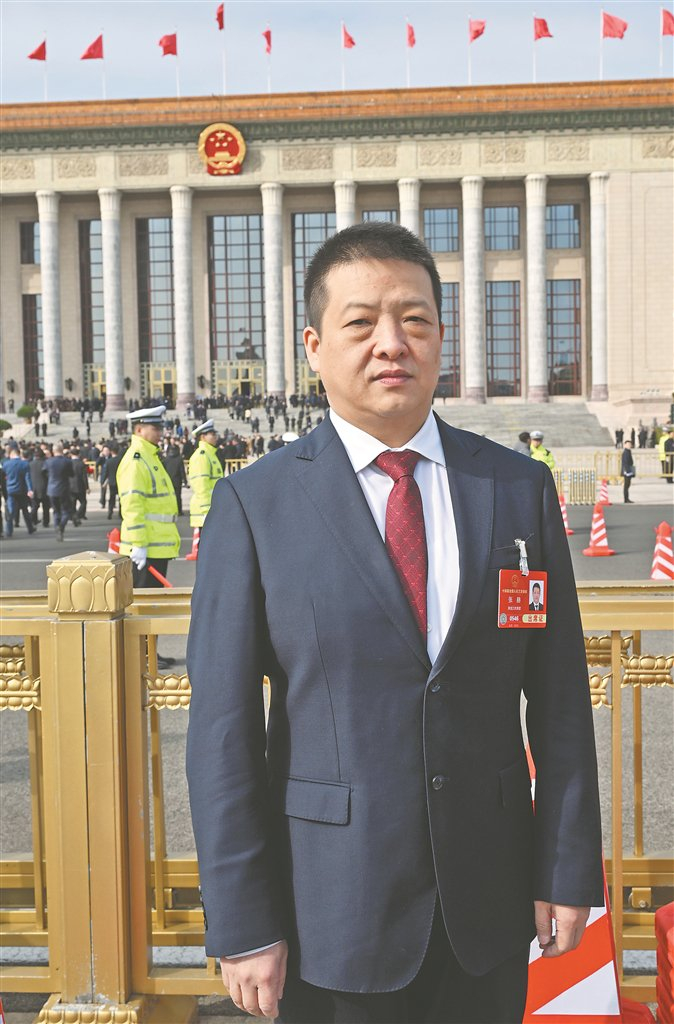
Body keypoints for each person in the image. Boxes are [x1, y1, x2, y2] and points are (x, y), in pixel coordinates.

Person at [186, 222, 603, 1024]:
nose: (391, 343)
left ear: (441, 337)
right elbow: (223, 733)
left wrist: (566, 866)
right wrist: (242, 922)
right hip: (330, 910)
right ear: (314, 347)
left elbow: (559, 702)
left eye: (414, 319)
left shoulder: (515, 490)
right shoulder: (257, 505)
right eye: (361, 322)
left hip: (488, 902)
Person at [117, 405, 180, 589]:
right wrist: (138, 543)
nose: (160, 433)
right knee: (145, 601)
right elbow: (132, 505)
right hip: (145, 546)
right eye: (155, 428)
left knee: (154, 600)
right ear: (139, 430)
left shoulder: (149, 456)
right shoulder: (136, 461)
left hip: (156, 545)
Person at [188, 419, 223, 530]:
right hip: (205, 512)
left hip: (212, 509)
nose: (215, 437)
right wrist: (206, 511)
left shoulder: (210, 454)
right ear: (203, 437)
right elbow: (201, 485)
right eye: (212, 434)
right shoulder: (201, 456)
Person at [1, 443, 35, 538]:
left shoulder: (6, 464)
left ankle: (9, 531)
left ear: (11, 454)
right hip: (22, 490)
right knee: (25, 510)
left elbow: (3, 477)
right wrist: (30, 489)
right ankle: (30, 528)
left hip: (11, 490)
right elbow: (27, 478)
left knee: (11, 511)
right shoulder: (25, 464)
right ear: (19, 454)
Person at [44, 442, 73, 541]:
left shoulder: (48, 461)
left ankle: (57, 528)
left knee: (56, 511)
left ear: (53, 451)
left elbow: (44, 472)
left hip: (52, 489)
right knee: (66, 511)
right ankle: (61, 526)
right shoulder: (67, 461)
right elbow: (71, 474)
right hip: (63, 488)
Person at [164, 440, 188, 515]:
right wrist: (185, 481)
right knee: (178, 496)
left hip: (168, 481)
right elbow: (182, 471)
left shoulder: (166, 459)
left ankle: (171, 510)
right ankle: (179, 510)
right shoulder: (179, 459)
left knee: (169, 496)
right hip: (177, 480)